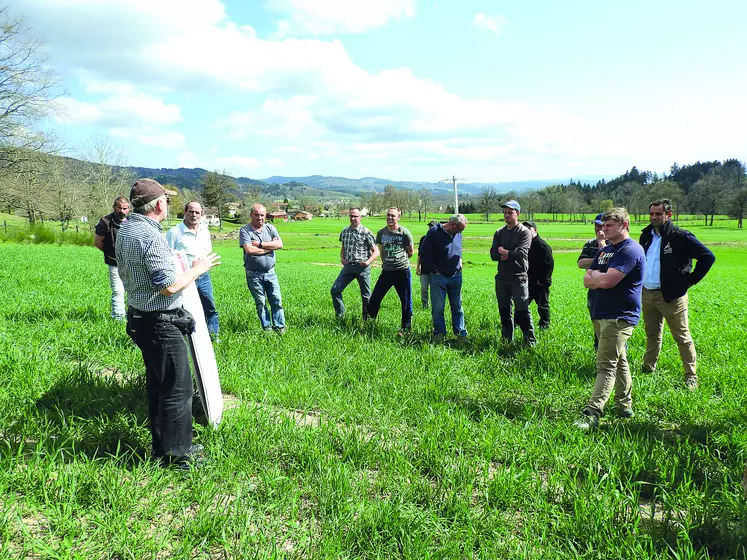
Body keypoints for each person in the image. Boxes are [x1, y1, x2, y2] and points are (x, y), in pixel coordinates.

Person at [116, 178, 220, 469]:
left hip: (141, 317)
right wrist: (199, 269)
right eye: (167, 200)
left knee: (160, 387)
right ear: (159, 204)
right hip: (160, 323)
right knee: (178, 389)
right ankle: (178, 457)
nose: (168, 204)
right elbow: (169, 287)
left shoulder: (128, 227)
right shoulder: (149, 236)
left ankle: (165, 448)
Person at [575, 208, 645, 430]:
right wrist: (597, 276)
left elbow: (607, 282)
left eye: (609, 226)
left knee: (605, 364)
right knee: (619, 360)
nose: (603, 230)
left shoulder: (630, 250)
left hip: (620, 315)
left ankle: (592, 412)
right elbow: (588, 280)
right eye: (603, 226)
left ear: (624, 226)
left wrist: (597, 277)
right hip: (601, 312)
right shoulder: (605, 251)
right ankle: (624, 405)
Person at [639, 199, 715, 389]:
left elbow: (708, 256)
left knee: (682, 337)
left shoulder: (681, 236)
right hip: (648, 293)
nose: (654, 217)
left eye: (658, 214)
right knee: (652, 334)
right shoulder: (646, 235)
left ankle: (691, 376)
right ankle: (648, 367)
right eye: (652, 214)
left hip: (672, 296)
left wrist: (690, 280)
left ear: (668, 215)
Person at [166, 201, 220, 339]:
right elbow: (168, 255)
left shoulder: (204, 231)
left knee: (209, 305)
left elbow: (208, 250)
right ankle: (185, 337)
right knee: (184, 307)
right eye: (191, 211)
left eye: (197, 212)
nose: (194, 215)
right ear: (185, 212)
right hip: (185, 277)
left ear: (201, 215)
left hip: (203, 276)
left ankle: (213, 336)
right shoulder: (175, 232)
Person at [490, 200, 535, 345]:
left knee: (522, 310)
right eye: (505, 213)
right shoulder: (499, 233)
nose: (507, 215)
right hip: (502, 278)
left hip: (518, 277)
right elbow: (493, 255)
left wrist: (503, 252)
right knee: (504, 311)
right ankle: (506, 339)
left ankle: (529, 340)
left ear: (518, 214)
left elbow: (521, 254)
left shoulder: (524, 232)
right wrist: (508, 253)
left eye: (510, 212)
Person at [239, 204, 286, 334]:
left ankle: (280, 327)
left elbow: (280, 244)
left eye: (262, 215)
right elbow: (249, 250)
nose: (259, 218)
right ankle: (267, 329)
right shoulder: (245, 231)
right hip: (253, 274)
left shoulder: (270, 228)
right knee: (261, 302)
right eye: (256, 215)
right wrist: (270, 248)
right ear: (251, 215)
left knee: (276, 300)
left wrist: (260, 245)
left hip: (270, 272)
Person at [366, 208, 414, 335]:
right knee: (375, 299)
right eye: (388, 215)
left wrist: (399, 261)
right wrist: (387, 262)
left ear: (399, 217)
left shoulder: (405, 233)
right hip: (386, 272)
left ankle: (406, 329)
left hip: (402, 272)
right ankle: (369, 324)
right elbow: (381, 251)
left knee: (406, 301)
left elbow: (410, 252)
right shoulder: (381, 233)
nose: (390, 218)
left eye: (393, 216)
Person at [419, 214, 468, 339]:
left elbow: (459, 250)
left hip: (456, 275)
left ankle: (460, 332)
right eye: (460, 229)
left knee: (457, 306)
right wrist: (434, 270)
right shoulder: (434, 232)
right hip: (439, 276)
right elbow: (424, 254)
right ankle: (440, 334)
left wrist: (460, 263)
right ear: (452, 225)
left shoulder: (458, 234)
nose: (460, 232)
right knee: (438, 307)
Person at [330, 207, 379, 320]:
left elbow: (376, 251)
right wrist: (342, 258)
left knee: (366, 296)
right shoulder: (345, 231)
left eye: (356, 216)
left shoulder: (366, 233)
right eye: (351, 216)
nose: (353, 219)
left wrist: (367, 262)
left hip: (362, 268)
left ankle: (366, 320)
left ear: (360, 217)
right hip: (348, 267)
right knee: (335, 290)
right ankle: (340, 316)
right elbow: (343, 247)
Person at [94, 196, 130, 320]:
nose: (122, 211)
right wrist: (110, 253)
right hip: (114, 263)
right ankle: (118, 318)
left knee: (133, 290)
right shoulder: (105, 222)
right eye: (119, 207)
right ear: (114, 207)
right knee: (118, 290)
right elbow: (98, 242)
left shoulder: (133, 222)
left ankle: (133, 317)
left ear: (129, 209)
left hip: (132, 262)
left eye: (125, 208)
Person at [578, 213, 607, 349]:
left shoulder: (615, 243)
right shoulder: (590, 244)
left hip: (610, 291)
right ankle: (599, 354)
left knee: (611, 328)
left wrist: (602, 245)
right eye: (596, 225)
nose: (598, 229)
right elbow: (581, 263)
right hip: (593, 290)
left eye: (601, 225)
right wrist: (599, 261)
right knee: (596, 324)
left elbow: (610, 263)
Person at [521, 221, 554, 329]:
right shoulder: (524, 244)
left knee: (542, 305)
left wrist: (544, 281)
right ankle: (519, 322)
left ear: (535, 230)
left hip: (540, 282)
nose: (527, 232)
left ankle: (544, 325)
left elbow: (549, 265)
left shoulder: (543, 246)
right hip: (527, 281)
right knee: (522, 304)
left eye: (529, 229)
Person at [415, 220, 438, 309]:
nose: (430, 228)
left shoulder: (439, 239)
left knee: (435, 290)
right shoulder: (423, 239)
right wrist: (418, 267)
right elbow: (419, 254)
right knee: (424, 289)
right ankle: (425, 306)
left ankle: (435, 306)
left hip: (436, 270)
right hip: (424, 268)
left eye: (432, 226)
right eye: (429, 226)